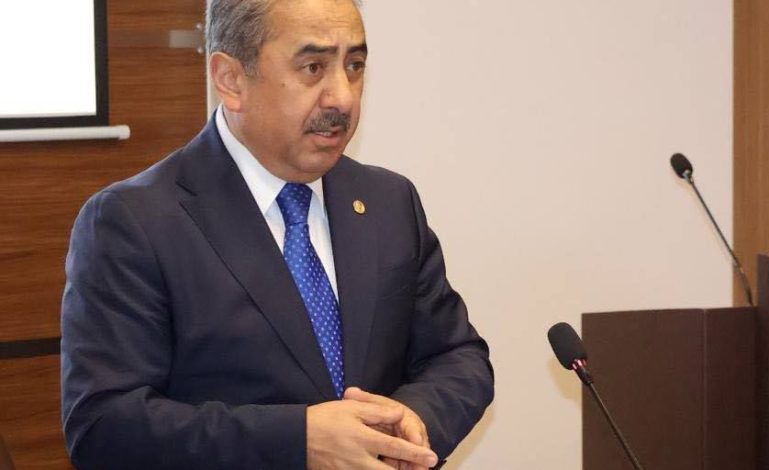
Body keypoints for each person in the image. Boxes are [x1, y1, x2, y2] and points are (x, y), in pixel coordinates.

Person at [60, 0, 494, 468]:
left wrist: (409, 422)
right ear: (231, 79)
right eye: (313, 68)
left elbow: (458, 357)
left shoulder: (389, 201)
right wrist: (298, 440)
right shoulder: (134, 221)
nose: (343, 97)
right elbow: (105, 426)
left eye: (354, 66)